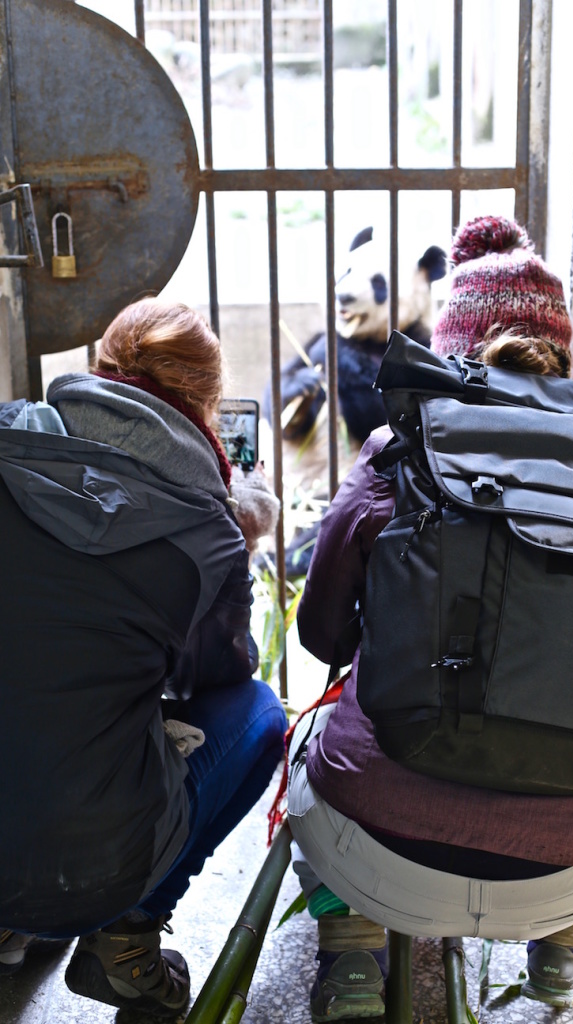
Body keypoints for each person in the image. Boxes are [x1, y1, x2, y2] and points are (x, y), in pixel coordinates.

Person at [285, 216, 573, 1021]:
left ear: (448, 346)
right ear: (562, 346)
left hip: (386, 855)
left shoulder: (398, 445)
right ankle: (563, 952)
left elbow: (319, 635)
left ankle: (352, 953)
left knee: (302, 742)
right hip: (572, 864)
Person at [0, 298, 287, 1017]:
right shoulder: (206, 529)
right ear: (207, 402)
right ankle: (126, 943)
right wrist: (233, 541)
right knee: (257, 712)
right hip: (88, 872)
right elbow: (214, 675)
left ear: (99, 368)